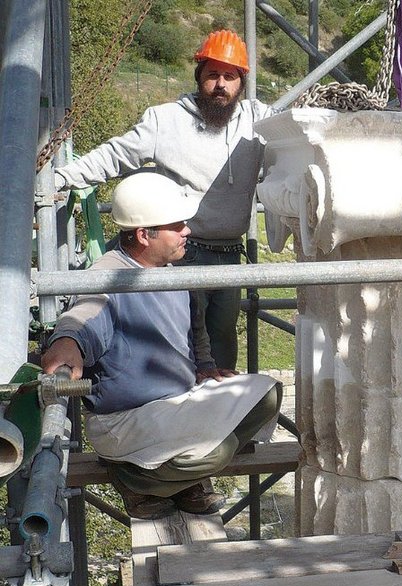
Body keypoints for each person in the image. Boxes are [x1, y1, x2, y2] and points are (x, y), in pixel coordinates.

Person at [41, 173, 283, 519]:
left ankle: (172, 478)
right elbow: (85, 315)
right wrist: (68, 341)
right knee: (217, 452)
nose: (187, 230)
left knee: (267, 393)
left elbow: (194, 329)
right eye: (177, 225)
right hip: (127, 420)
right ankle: (135, 479)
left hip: (176, 403)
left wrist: (205, 367)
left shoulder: (172, 269)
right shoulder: (109, 275)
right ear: (144, 234)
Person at [55, 29, 274, 374]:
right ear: (198, 76)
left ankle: (217, 425)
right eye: (212, 74)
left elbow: (296, 135)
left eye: (229, 76)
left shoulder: (259, 122)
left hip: (230, 258)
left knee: (221, 356)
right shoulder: (165, 120)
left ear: (241, 82)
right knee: (183, 352)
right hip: (180, 254)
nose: (220, 84)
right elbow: (117, 155)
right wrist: (62, 177)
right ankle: (177, 419)